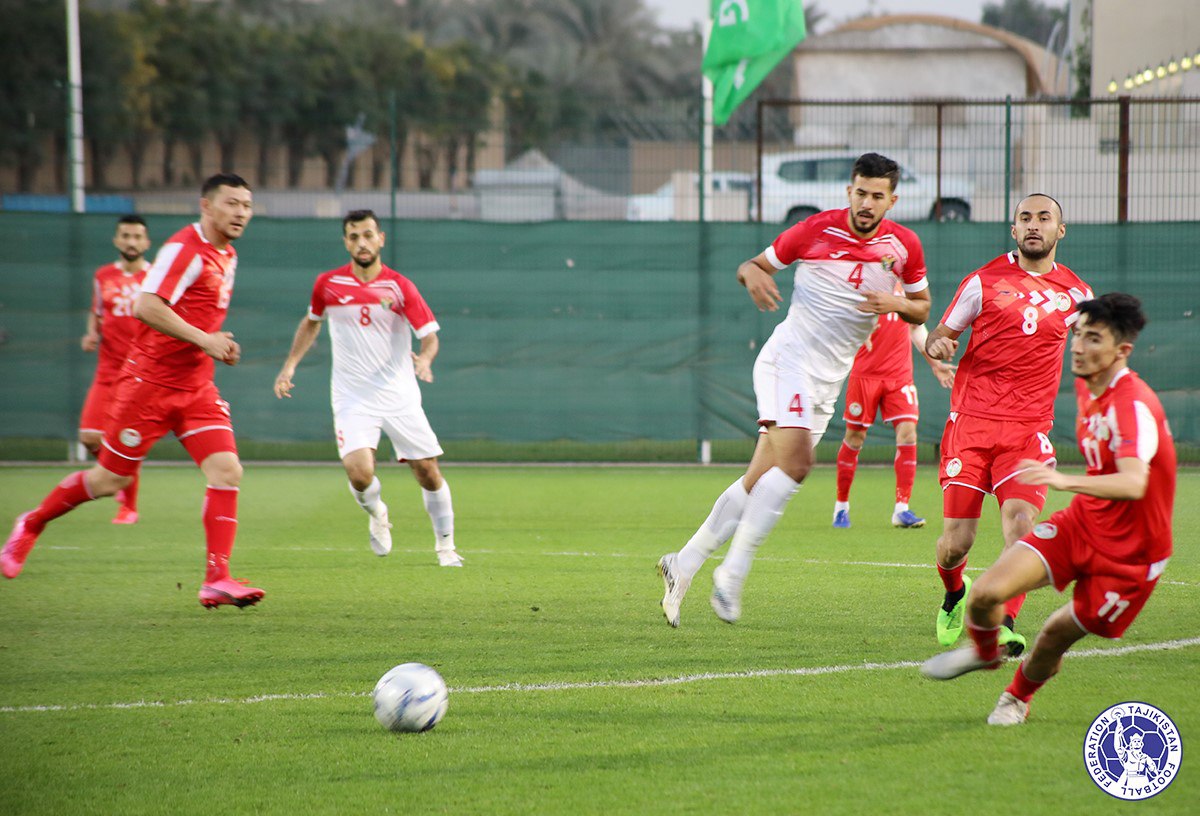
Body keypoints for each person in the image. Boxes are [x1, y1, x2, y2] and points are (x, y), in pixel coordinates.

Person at [656, 152, 931, 627]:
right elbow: (752, 265)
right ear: (848, 191)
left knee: (758, 479)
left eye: (877, 196)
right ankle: (732, 574)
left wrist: (895, 302)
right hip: (788, 361)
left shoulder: (904, 245)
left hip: (827, 380)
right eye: (860, 192)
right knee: (799, 464)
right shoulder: (814, 231)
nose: (866, 203)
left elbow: (922, 307)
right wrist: (752, 274)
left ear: (892, 200)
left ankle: (683, 563)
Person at [3, 174, 264, 609]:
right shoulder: (184, 249)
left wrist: (217, 344)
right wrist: (205, 340)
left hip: (196, 386)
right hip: (149, 385)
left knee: (227, 471)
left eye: (247, 205)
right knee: (110, 480)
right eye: (232, 203)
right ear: (206, 205)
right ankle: (31, 523)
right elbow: (146, 306)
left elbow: (198, 316)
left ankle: (216, 579)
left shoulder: (228, 253)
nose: (241, 212)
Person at [921, 294, 1174, 727]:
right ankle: (986, 653)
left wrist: (1064, 481)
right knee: (983, 595)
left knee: (1054, 635)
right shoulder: (1088, 384)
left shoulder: (1131, 404)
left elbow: (1134, 482)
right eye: (1078, 335)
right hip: (1083, 525)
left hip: (1132, 555)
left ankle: (1016, 698)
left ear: (1122, 351)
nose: (1078, 347)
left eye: (1093, 339)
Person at [925, 194, 1092, 656]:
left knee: (1021, 527)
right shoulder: (982, 282)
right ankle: (954, 593)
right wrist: (937, 347)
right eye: (1025, 218)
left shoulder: (1079, 295)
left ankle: (1003, 622)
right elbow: (941, 335)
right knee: (956, 544)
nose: (1034, 225)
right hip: (971, 425)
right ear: (1013, 230)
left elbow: (1094, 349)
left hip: (1027, 432)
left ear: (1060, 230)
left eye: (1044, 218)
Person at [274, 209, 462, 567]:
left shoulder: (399, 286)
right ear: (346, 242)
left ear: (381, 239)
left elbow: (429, 336)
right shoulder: (328, 284)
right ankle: (378, 513)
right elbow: (311, 323)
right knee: (360, 475)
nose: (362, 242)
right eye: (354, 236)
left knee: (427, 471)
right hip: (352, 396)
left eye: (368, 235)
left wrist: (425, 359)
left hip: (398, 393)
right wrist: (289, 366)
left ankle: (446, 547)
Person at [832, 297, 956, 530]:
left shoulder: (909, 290)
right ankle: (841, 507)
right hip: (865, 375)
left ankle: (902, 509)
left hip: (899, 375)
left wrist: (935, 364)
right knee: (855, 437)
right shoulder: (866, 286)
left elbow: (916, 328)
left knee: (908, 433)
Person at [79, 214, 152, 525]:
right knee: (89, 437)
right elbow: (97, 312)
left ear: (146, 242)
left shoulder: (155, 277)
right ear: (116, 240)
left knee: (128, 440)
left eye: (137, 236)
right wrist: (91, 333)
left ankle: (128, 507)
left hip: (140, 372)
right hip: (108, 370)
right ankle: (119, 477)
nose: (131, 242)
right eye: (126, 236)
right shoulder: (103, 276)